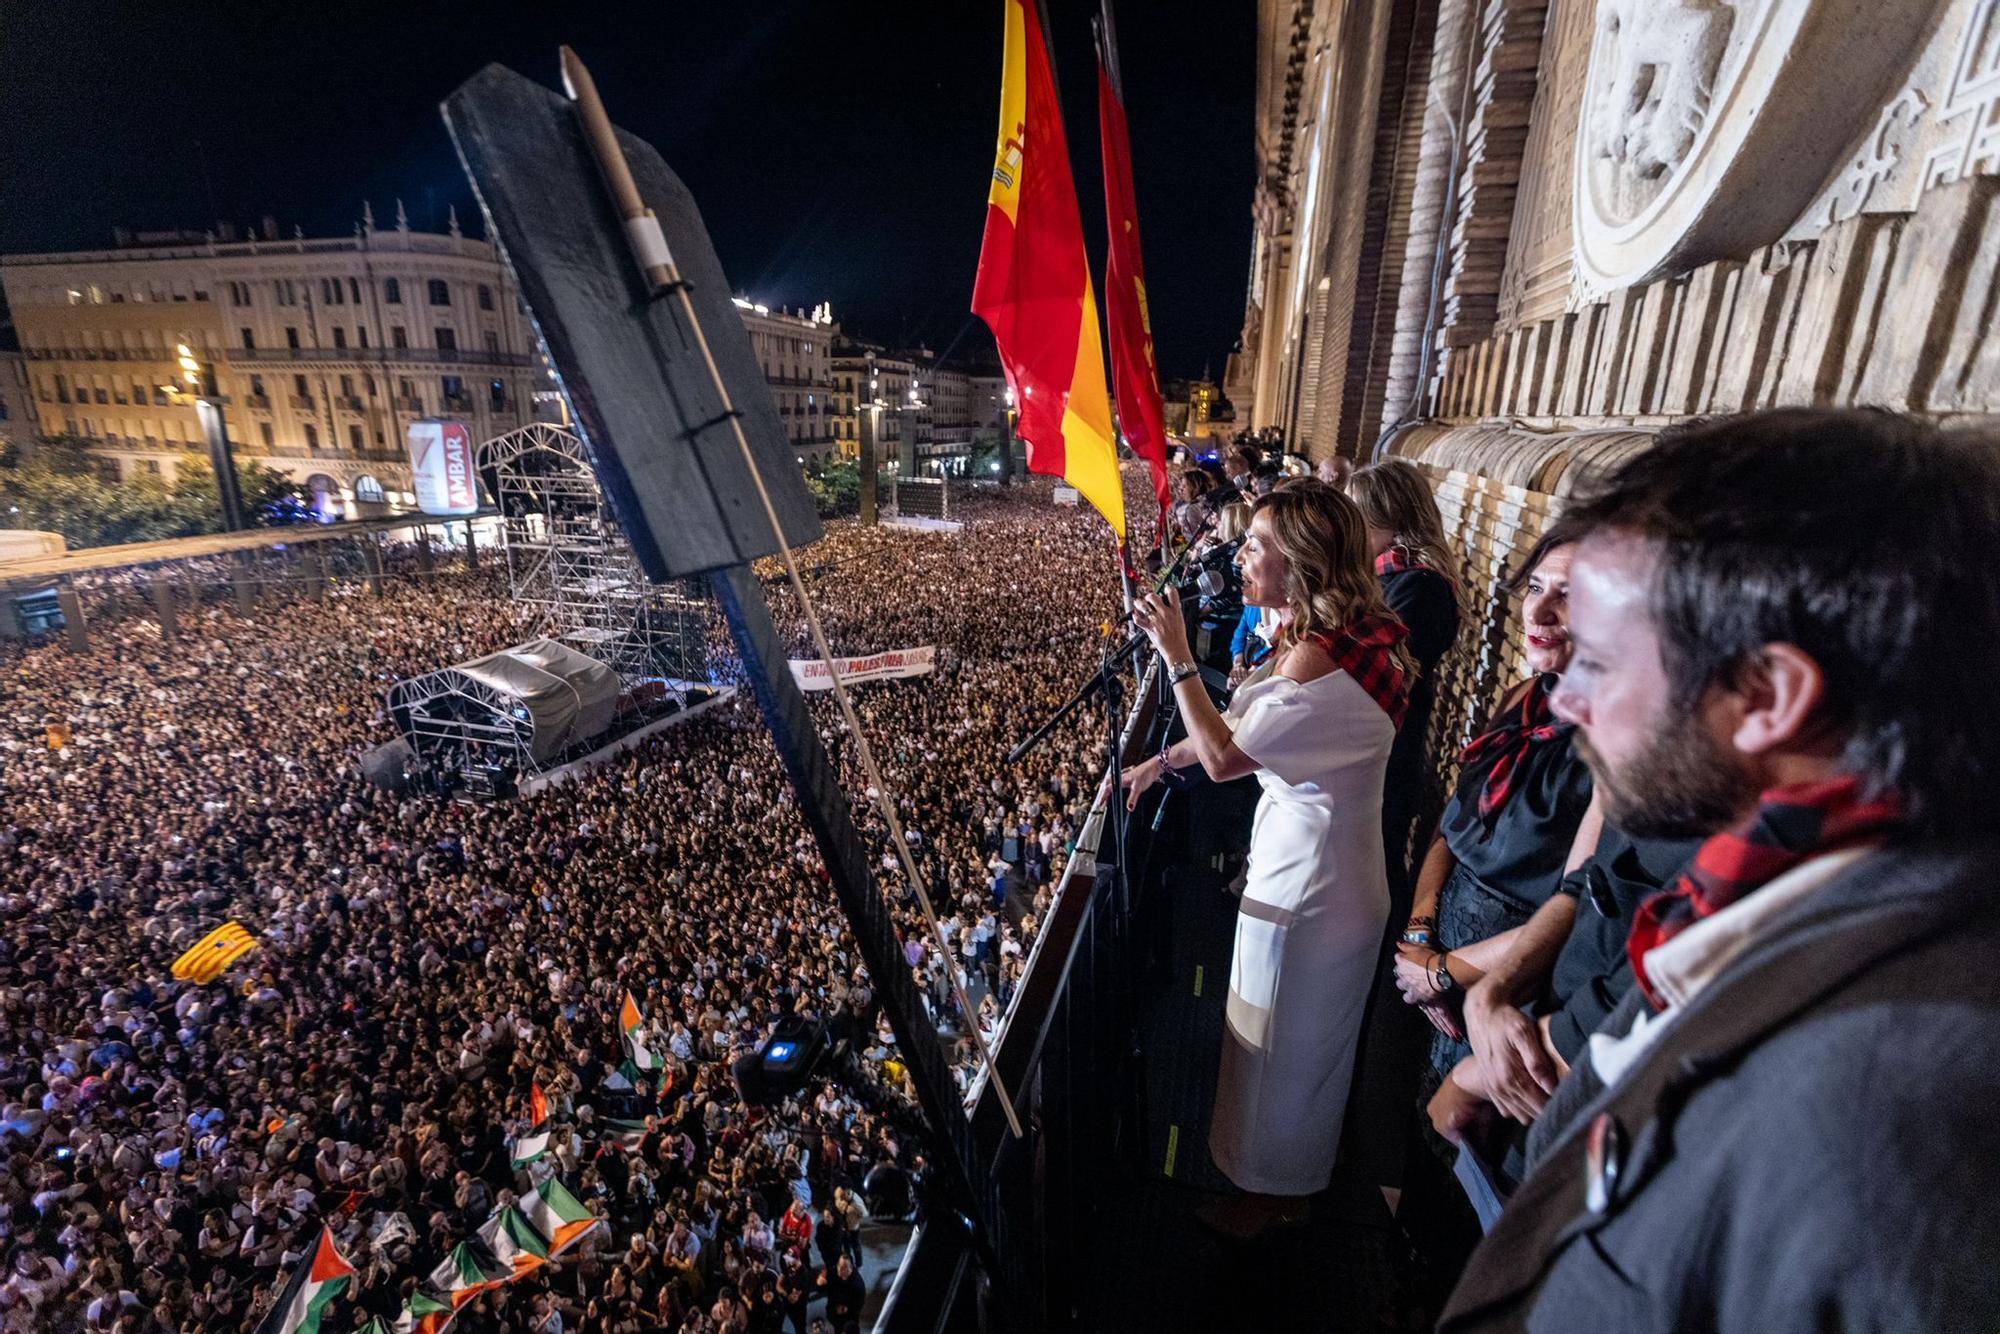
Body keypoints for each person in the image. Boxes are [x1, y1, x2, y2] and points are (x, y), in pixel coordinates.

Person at [1440, 409, 2000, 1332]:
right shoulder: (1772, 898)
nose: (1567, 703)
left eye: (1600, 664)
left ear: (1766, 695)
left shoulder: (1895, 1121)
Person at [1123, 481, 1413, 1239]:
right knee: (1286, 1048)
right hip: (1319, 878)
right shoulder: (1334, 643)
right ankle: (1275, 1183)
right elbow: (1247, 727)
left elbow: (1227, 755)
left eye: (1256, 545)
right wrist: (1159, 763)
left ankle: (1271, 1200)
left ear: (1303, 563)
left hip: (1311, 897)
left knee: (1282, 1057)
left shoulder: (1321, 666)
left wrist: (1177, 655)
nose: (1241, 556)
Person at [1346, 456, 1463, 897]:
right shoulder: (1384, 576)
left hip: (1386, 757)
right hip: (1373, 751)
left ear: (1391, 516)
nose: (1349, 530)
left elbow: (1377, 668)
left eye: (1357, 516)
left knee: (1374, 872)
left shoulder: (1420, 585)